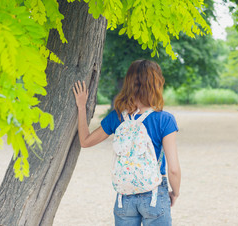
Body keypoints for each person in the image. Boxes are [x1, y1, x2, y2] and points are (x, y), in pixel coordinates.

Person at [72, 59, 181, 226]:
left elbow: (85, 141)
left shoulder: (117, 117)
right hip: (154, 193)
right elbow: (173, 169)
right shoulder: (165, 120)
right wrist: (175, 192)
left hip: (125, 196)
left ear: (128, 83)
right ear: (156, 83)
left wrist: (81, 107)